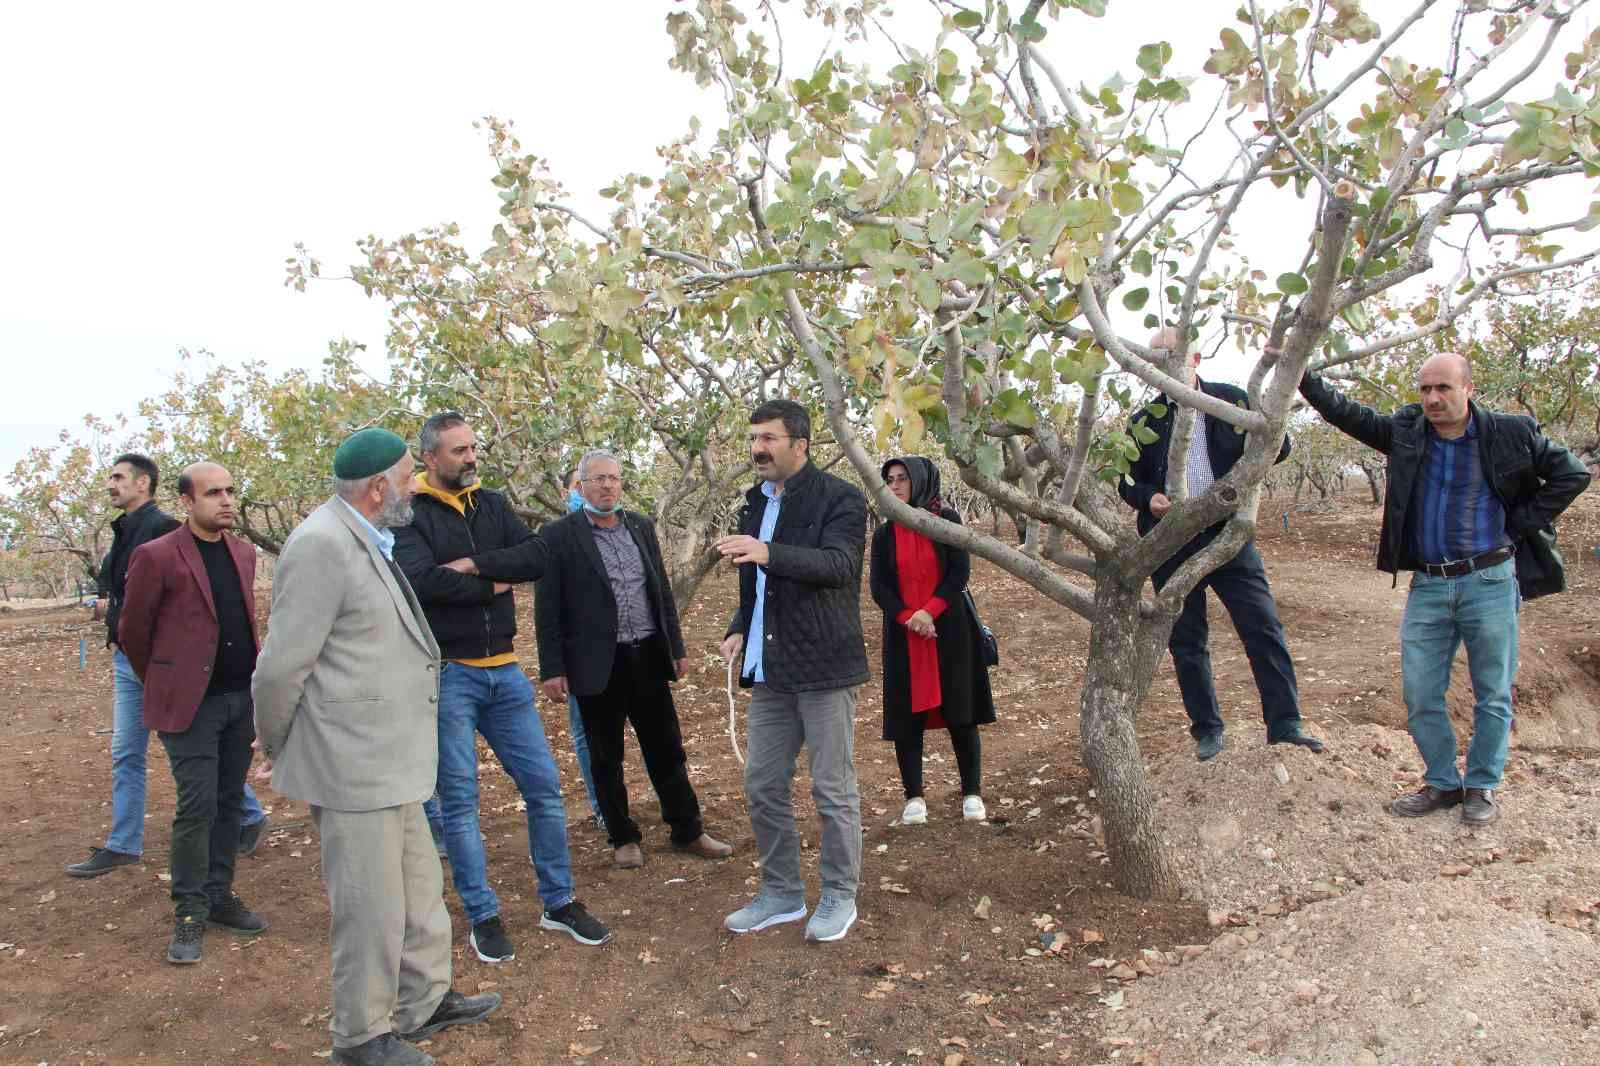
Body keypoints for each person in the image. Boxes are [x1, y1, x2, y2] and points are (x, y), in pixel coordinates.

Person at [253, 428, 499, 1066]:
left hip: (391, 758)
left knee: (418, 890)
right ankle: (360, 1036)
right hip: (349, 762)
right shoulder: (320, 545)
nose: (417, 482)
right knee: (369, 906)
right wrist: (276, 740)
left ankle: (424, 1001)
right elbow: (281, 667)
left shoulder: (367, 536)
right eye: (409, 472)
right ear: (379, 487)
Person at [1298, 352, 1590, 824]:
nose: (1433, 398)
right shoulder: (1408, 432)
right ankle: (1442, 782)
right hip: (1430, 584)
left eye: (1443, 388)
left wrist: (1520, 524)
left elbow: (1573, 473)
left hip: (1490, 579)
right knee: (1419, 692)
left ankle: (1482, 785)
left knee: (1492, 692)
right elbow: (1348, 415)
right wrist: (1303, 378)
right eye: (1425, 389)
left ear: (1468, 389)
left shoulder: (1512, 432)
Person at [391, 413, 612, 965]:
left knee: (544, 788)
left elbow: (537, 556)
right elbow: (422, 583)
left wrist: (475, 565)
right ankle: (482, 914)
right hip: (448, 673)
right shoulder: (408, 513)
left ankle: (558, 902)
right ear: (430, 458)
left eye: (473, 448)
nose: (471, 458)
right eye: (459, 451)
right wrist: (496, 580)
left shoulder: (489, 503)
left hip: (506, 671)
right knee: (462, 801)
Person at [1118, 329, 1324, 762]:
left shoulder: (1230, 401)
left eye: (1171, 358)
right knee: (1187, 641)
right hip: (1170, 543)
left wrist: (1263, 445)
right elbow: (1127, 480)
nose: (1163, 368)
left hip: (1228, 536)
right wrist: (1147, 497)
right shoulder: (1143, 422)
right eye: (1154, 361)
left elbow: (1275, 445)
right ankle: (1207, 730)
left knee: (1262, 626)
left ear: (1195, 359)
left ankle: (1285, 723)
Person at [67, 453, 268, 879]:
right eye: (216, 492)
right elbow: (132, 621)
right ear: (189, 500)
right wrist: (157, 670)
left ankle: (240, 831)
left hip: (189, 677)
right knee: (137, 757)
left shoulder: (170, 532)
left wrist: (170, 672)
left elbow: (215, 612)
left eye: (119, 477)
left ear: (145, 484)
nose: (111, 484)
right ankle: (128, 847)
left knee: (210, 786)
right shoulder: (127, 533)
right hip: (150, 666)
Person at [716, 398, 870, 943]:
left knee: (831, 790)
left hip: (825, 667)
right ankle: (781, 893)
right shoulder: (753, 503)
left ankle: (838, 895)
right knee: (762, 785)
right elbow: (758, 583)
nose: (757, 448)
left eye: (769, 439)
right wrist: (740, 624)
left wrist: (767, 551)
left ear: (800, 445)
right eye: (753, 438)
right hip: (771, 668)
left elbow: (840, 566)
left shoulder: (842, 500)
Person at [535, 450, 733, 869]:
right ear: (581, 486)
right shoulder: (560, 536)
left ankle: (688, 829)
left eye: (613, 478)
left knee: (667, 748)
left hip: (645, 654)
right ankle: (622, 835)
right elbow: (547, 608)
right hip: (595, 663)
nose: (606, 486)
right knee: (605, 756)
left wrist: (675, 648)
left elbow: (660, 592)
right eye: (597, 479)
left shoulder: (640, 526)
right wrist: (552, 668)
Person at [117, 463, 268, 963]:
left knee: (228, 802)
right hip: (190, 706)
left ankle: (219, 894)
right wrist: (166, 680)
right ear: (186, 501)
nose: (225, 500)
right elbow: (133, 632)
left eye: (229, 490)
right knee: (197, 805)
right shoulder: (156, 556)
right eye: (213, 493)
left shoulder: (244, 553)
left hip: (237, 700)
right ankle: (188, 912)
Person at [869, 457, 996, 825]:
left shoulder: (946, 521)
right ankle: (914, 797)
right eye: (889, 480)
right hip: (905, 634)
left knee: (961, 710)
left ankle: (971, 792)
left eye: (902, 479)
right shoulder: (883, 534)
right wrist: (909, 617)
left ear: (920, 481)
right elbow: (879, 586)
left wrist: (930, 611)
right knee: (907, 716)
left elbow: (959, 571)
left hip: (948, 629)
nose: (894, 486)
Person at [560, 465, 605, 828]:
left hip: (624, 652)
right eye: (577, 486)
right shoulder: (561, 538)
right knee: (588, 735)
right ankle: (603, 806)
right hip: (583, 656)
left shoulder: (622, 528)